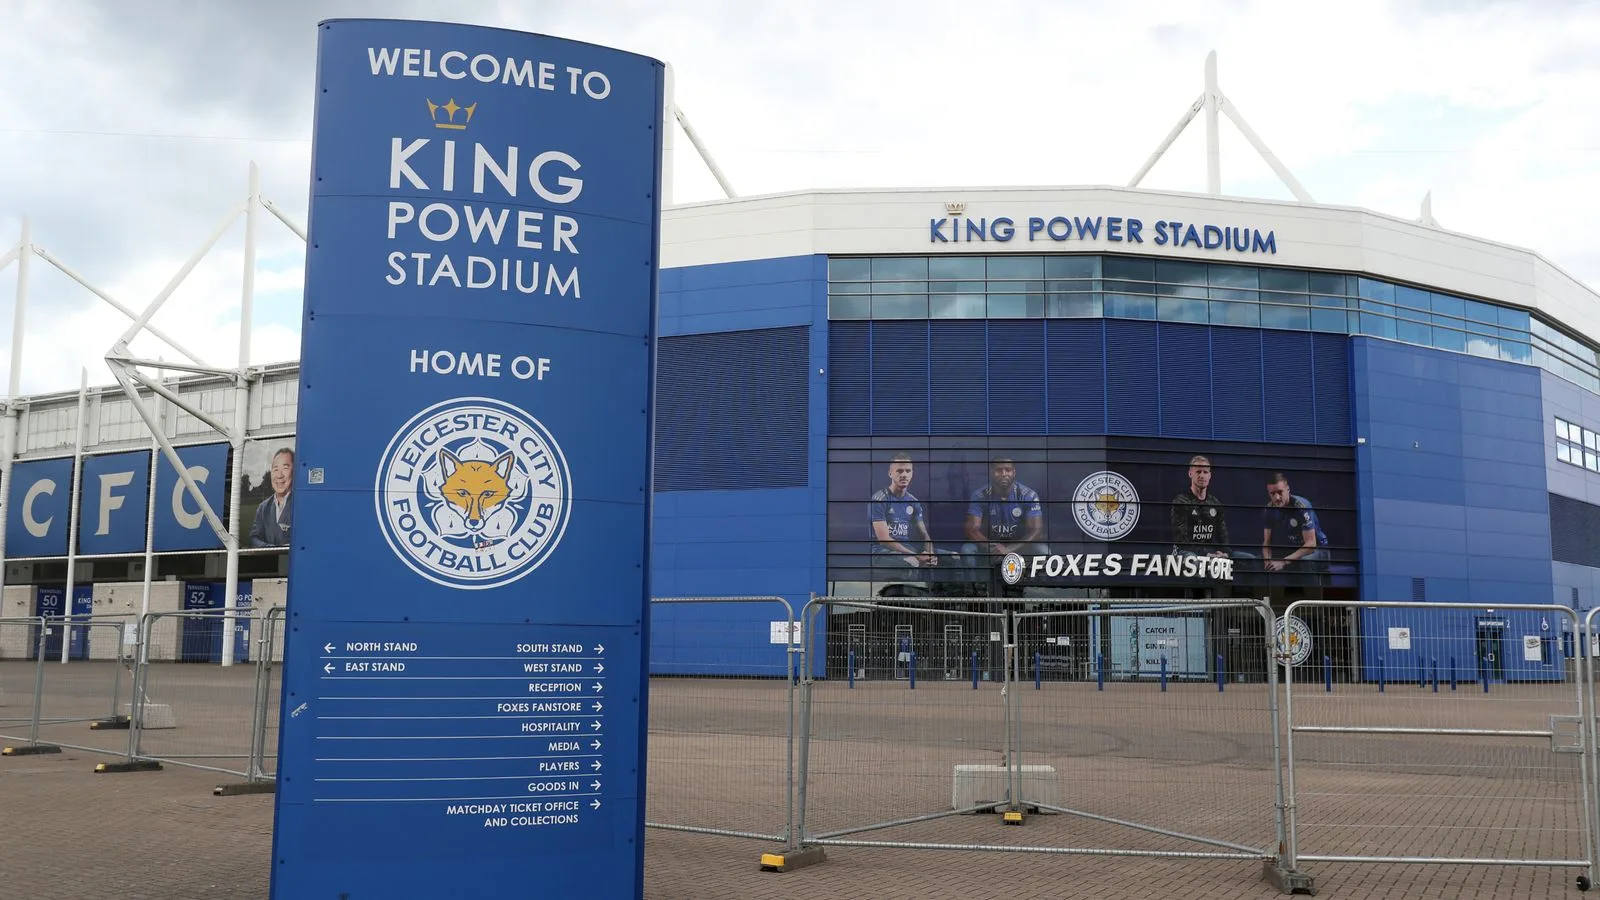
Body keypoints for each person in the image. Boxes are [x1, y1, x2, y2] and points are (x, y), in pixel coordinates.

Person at [868, 453, 944, 577]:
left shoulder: (913, 502)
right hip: (883, 553)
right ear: (890, 473)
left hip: (908, 550)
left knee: (952, 558)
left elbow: (924, 534)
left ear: (912, 474)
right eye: (899, 471)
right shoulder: (879, 499)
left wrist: (930, 553)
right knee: (912, 562)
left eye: (908, 471)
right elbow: (884, 540)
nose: (904, 474)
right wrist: (916, 556)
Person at [961, 457, 1046, 566]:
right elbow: (971, 530)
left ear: (1014, 473)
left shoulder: (1028, 495)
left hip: (1019, 545)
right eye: (999, 470)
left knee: (1043, 551)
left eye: (1008, 470)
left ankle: (1035, 583)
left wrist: (1010, 549)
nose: (1004, 474)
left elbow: (1037, 531)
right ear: (991, 473)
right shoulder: (980, 495)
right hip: (990, 546)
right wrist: (993, 547)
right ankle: (973, 583)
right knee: (967, 550)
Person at [1261, 472, 1329, 572]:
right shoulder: (1269, 510)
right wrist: (1267, 561)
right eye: (1272, 493)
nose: (1277, 498)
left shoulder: (1301, 507)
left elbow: (1311, 544)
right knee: (1259, 562)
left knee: (1305, 562)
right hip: (1292, 551)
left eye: (1280, 492)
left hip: (1318, 551)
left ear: (1288, 489)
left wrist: (1283, 562)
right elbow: (1267, 542)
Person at [1170, 455, 1233, 557]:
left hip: (1211, 552)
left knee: (1248, 559)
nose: (1202, 476)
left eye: (1205, 472)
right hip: (1185, 552)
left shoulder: (1215, 503)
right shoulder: (1181, 501)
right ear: (1190, 474)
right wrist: (1206, 554)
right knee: (1193, 560)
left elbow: (1223, 537)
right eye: (1198, 472)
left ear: (1210, 475)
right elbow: (1182, 541)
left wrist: (1224, 553)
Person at [249, 447, 294, 548]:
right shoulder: (263, 507)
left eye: (285, 468)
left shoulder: (301, 504)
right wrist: (267, 547)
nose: (279, 475)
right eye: (275, 469)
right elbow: (254, 538)